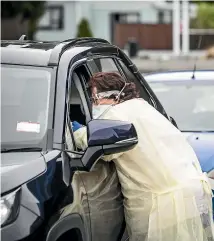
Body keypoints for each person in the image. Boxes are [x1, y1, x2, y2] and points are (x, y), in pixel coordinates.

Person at [71, 72, 214, 241]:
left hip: (161, 206)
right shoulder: (141, 107)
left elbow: (105, 149)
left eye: (96, 99)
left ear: (114, 96)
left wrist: (75, 131)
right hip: (188, 194)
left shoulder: (115, 116)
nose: (95, 104)